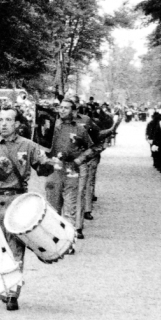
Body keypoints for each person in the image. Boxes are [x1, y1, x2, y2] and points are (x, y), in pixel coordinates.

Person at [0, 107, 57, 310]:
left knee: (16, 248)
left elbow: (42, 168)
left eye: (8, 120)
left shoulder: (28, 145)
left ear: (17, 124)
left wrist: (50, 164)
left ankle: (13, 293)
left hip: (17, 200)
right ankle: (2, 286)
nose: (4, 124)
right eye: (0, 120)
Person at [44, 97, 94, 240]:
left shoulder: (80, 129)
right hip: (54, 170)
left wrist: (80, 159)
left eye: (66, 108)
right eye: (61, 107)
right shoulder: (51, 128)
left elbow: (92, 148)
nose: (62, 110)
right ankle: (55, 238)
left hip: (71, 171)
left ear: (74, 111)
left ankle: (69, 238)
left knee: (70, 206)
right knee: (53, 207)